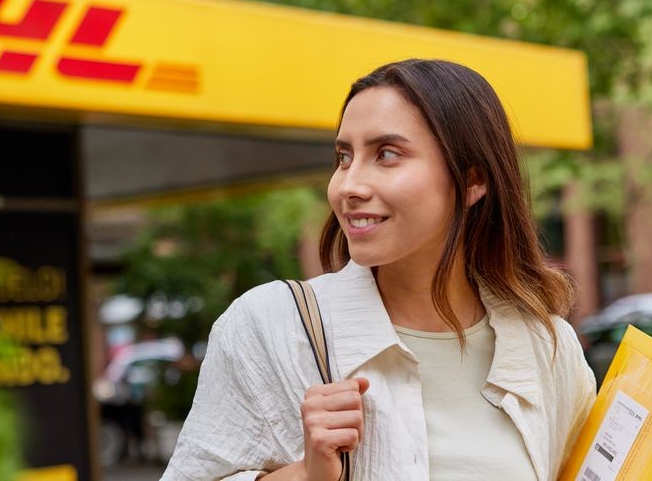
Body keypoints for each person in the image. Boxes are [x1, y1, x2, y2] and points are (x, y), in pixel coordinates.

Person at [161, 59, 596, 480]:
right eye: (344, 156)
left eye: (387, 154)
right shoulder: (270, 327)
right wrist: (307, 476)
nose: (348, 186)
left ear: (472, 181)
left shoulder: (547, 348)